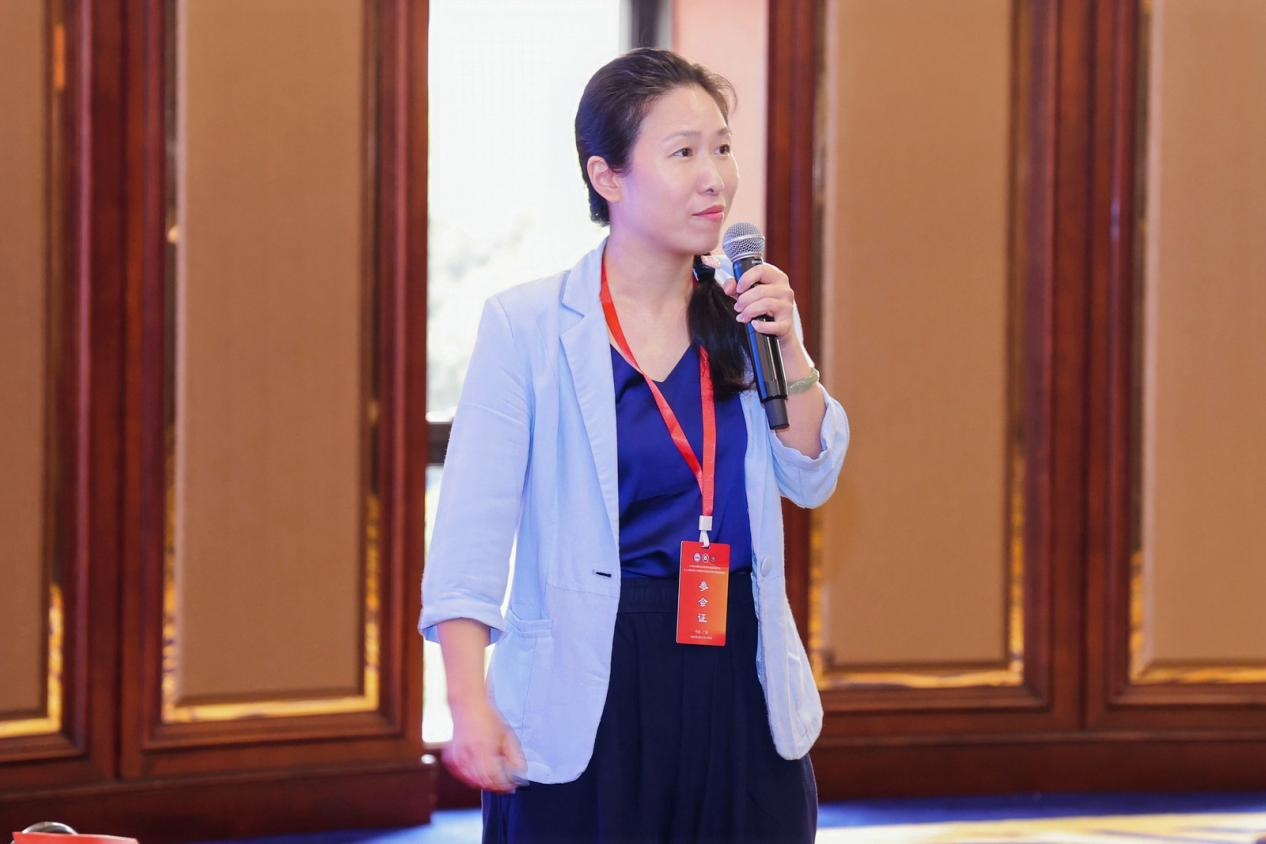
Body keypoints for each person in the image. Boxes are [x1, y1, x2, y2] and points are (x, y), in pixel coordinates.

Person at [418, 48, 850, 843]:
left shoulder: (744, 315)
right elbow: (470, 536)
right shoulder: (528, 326)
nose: (714, 178)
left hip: (739, 672)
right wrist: (467, 702)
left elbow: (811, 474)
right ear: (607, 177)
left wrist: (787, 344)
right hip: (588, 679)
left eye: (723, 148)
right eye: (683, 152)